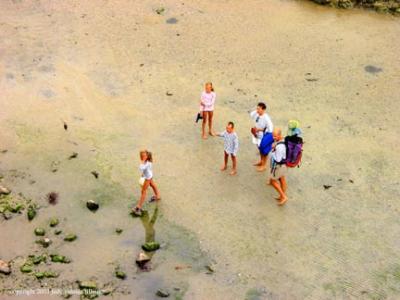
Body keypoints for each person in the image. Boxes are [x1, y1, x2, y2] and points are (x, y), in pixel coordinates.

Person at [132, 150, 161, 216]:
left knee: (143, 191)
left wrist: (142, 162)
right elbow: (147, 169)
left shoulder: (146, 163)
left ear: (147, 156)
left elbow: (141, 168)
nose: (142, 157)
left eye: (144, 156)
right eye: (141, 156)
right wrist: (143, 174)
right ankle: (158, 196)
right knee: (152, 184)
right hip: (149, 175)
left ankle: (138, 207)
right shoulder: (148, 162)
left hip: (148, 178)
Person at [249, 102, 273, 172]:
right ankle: (261, 161)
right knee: (259, 149)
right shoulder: (257, 114)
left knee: (264, 151)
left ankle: (264, 165)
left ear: (263, 109)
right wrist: (256, 110)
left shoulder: (266, 118)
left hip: (262, 136)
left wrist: (260, 129)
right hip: (256, 134)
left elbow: (270, 129)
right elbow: (251, 115)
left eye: (259, 109)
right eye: (257, 108)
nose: (257, 110)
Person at [269, 128, 288, 206]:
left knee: (273, 181)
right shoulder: (283, 140)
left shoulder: (279, 147)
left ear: (280, 135)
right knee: (282, 180)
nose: (274, 138)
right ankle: (281, 196)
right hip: (284, 165)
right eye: (273, 136)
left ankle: (284, 197)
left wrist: (273, 150)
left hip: (279, 166)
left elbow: (278, 159)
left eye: (275, 136)